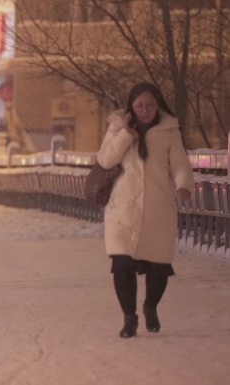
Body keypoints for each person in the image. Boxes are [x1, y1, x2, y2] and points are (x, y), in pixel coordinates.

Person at [96, 82, 193, 338]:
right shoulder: (118, 127)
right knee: (121, 264)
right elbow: (105, 159)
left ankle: (150, 306)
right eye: (140, 105)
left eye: (150, 104)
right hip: (123, 210)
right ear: (132, 107)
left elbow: (180, 164)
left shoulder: (169, 130)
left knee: (158, 268)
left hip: (157, 209)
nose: (145, 110)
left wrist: (183, 185)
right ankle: (129, 318)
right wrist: (126, 133)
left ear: (158, 104)